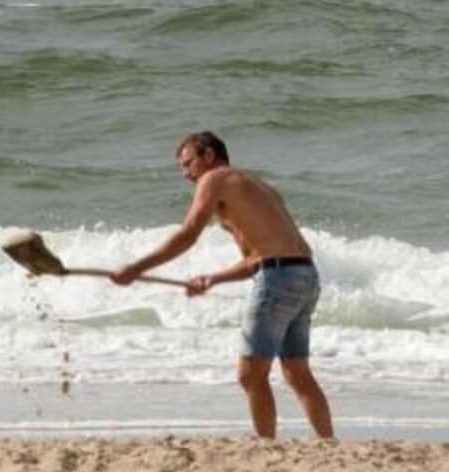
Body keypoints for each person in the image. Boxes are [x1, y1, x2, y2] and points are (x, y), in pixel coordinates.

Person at [111, 131, 334, 440]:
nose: (185, 173)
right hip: (304, 275)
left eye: (188, 164)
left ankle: (267, 445)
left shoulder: (214, 180)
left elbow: (189, 233)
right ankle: (329, 443)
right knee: (296, 373)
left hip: (279, 278)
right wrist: (213, 279)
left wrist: (137, 268)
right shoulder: (259, 188)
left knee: (250, 375)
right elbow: (256, 260)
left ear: (209, 157)